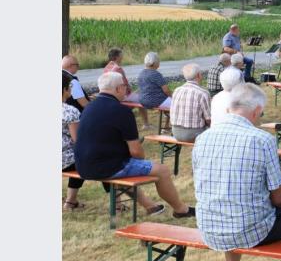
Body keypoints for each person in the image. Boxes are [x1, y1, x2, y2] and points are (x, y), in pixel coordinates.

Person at [193, 83, 281, 261]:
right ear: (257, 110)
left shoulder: (202, 138)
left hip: (210, 228)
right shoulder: (262, 140)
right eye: (261, 113)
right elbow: (280, 199)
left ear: (229, 108)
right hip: (251, 231)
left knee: (234, 206)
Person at [75, 72, 195, 218]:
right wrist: (140, 158)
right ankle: (181, 210)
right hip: (106, 167)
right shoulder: (122, 111)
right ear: (118, 88)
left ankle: (151, 207)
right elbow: (137, 152)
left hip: (83, 166)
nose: (127, 89)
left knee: (125, 166)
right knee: (162, 170)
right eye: (125, 86)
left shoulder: (89, 107)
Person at [169, 64, 211, 142]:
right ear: (198, 75)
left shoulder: (176, 90)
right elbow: (208, 119)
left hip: (176, 132)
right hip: (195, 133)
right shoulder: (203, 93)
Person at [62, 72, 85, 211]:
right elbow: (78, 140)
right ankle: (117, 205)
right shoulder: (70, 111)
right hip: (65, 160)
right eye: (70, 86)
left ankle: (70, 202)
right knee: (99, 160)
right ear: (65, 89)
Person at [137, 52, 172, 127]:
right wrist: (173, 96)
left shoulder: (141, 73)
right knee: (174, 102)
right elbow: (166, 90)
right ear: (155, 63)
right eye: (158, 61)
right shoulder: (156, 74)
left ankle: (165, 124)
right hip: (154, 101)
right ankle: (166, 126)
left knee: (167, 101)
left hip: (142, 100)